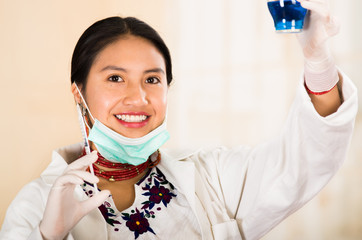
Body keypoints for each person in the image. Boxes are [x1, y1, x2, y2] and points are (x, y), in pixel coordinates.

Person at [0, 0, 358, 239]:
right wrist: (47, 236)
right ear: (78, 93)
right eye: (115, 78)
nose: (138, 98)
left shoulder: (210, 177)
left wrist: (318, 61)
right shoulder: (38, 204)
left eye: (152, 80)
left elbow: (301, 165)